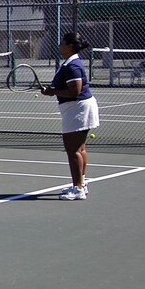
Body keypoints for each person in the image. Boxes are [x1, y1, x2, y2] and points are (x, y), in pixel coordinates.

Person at [41, 32, 99, 200]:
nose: (59, 45)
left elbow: (75, 90)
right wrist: (51, 90)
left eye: (62, 42)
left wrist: (53, 92)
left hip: (78, 109)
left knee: (73, 150)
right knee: (80, 149)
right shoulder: (70, 63)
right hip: (79, 108)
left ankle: (78, 189)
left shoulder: (73, 65)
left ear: (70, 46)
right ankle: (81, 183)